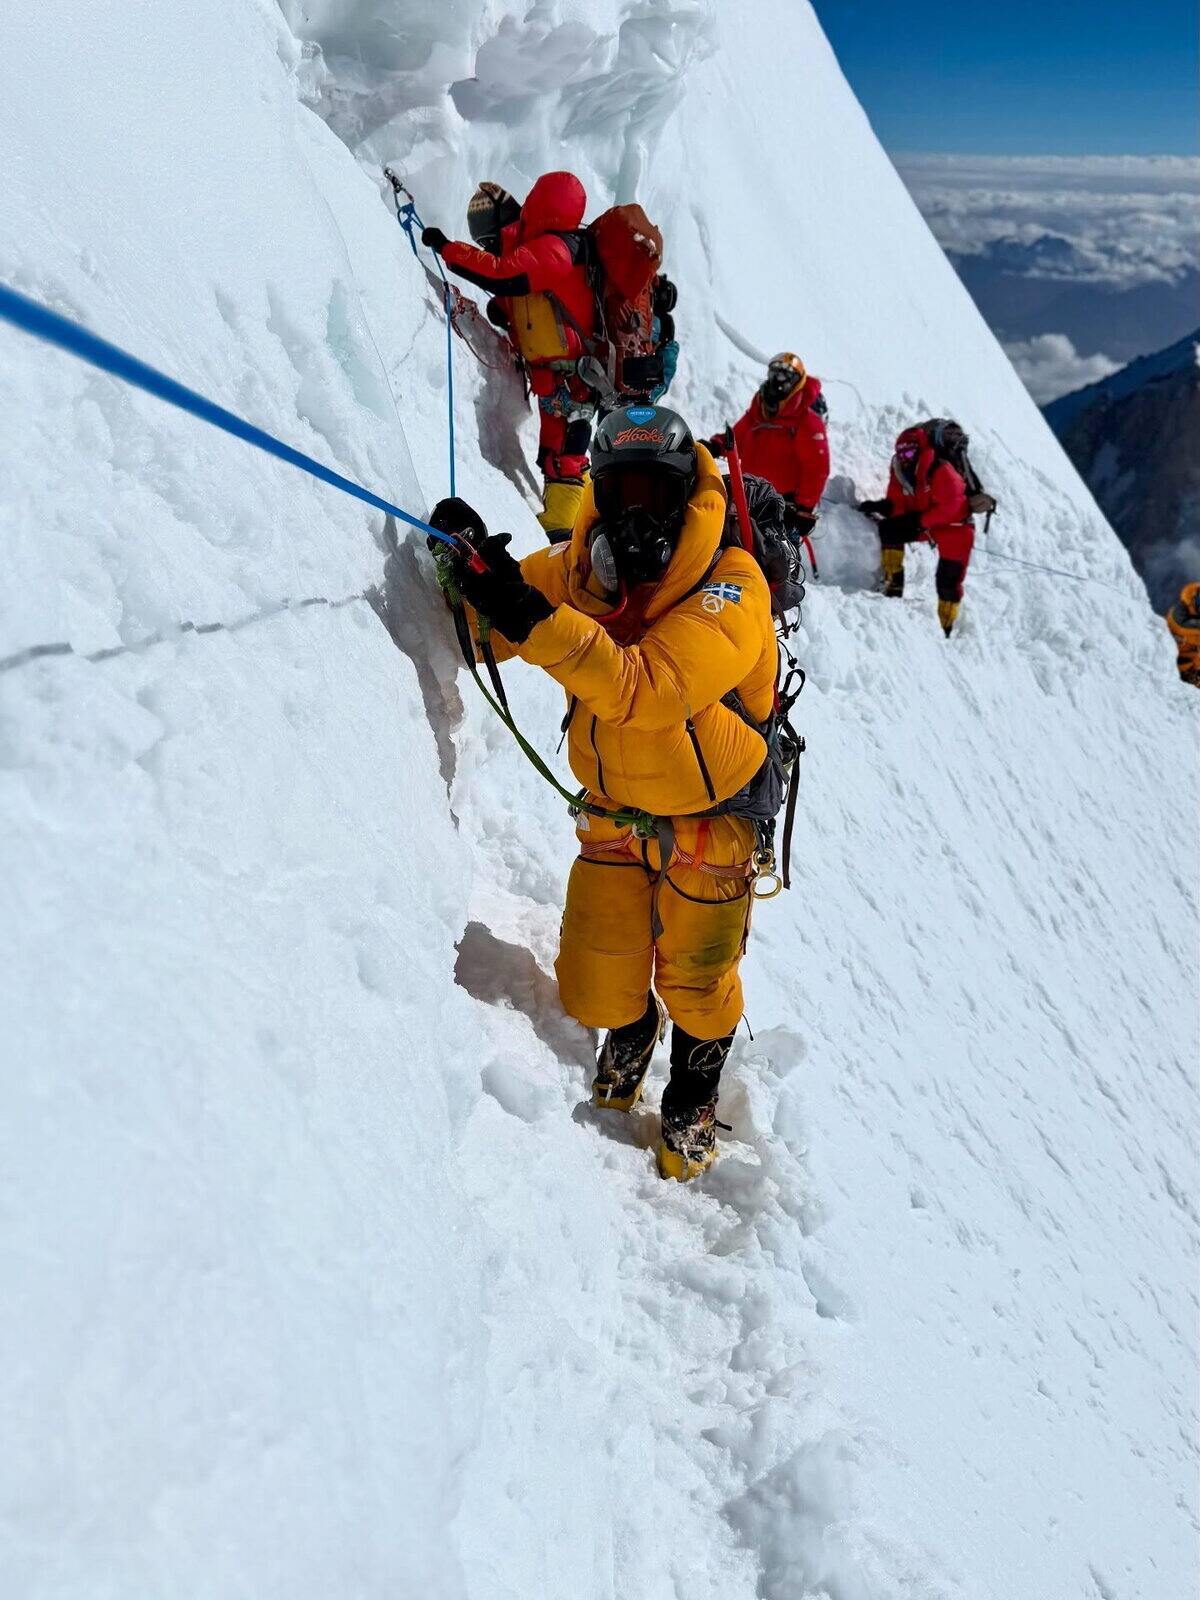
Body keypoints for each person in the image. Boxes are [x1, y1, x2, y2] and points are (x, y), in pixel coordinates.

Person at [427, 405, 779, 1180]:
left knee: (698, 980)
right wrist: (472, 575)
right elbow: (493, 626)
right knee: (592, 989)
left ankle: (692, 1099)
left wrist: (528, 613)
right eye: (622, 493)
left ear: (688, 495)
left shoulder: (733, 584)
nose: (636, 517)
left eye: (657, 493)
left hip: (713, 823)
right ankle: (633, 1027)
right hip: (614, 815)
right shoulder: (582, 568)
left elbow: (647, 688)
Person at [422, 172, 599, 544]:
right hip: (555, 376)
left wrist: (448, 248)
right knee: (553, 450)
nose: (486, 245)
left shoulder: (555, 248)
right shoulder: (542, 249)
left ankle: (564, 526)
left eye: (486, 238)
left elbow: (505, 275)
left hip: (574, 376)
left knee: (568, 448)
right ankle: (566, 520)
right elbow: (530, 297)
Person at [859, 420, 976, 636]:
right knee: (890, 530)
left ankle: (946, 627)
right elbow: (898, 503)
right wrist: (883, 507)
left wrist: (921, 521)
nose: (905, 458)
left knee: (947, 581)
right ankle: (893, 586)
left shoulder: (940, 469)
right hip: (927, 522)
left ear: (920, 449)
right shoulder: (900, 470)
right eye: (901, 453)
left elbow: (954, 506)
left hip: (956, 528)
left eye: (910, 453)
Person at [707, 353, 830, 543]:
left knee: (774, 556)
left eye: (785, 375)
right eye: (774, 372)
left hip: (784, 507)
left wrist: (804, 508)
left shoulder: (806, 419)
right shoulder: (760, 408)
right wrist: (715, 445)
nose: (777, 380)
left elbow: (817, 467)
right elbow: (736, 437)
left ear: (797, 381)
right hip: (749, 496)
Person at [1166, 582, 1200, 685]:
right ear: (1192, 599)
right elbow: (1182, 625)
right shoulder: (1178, 611)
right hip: (1174, 665)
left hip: (1192, 666)